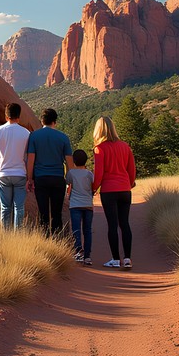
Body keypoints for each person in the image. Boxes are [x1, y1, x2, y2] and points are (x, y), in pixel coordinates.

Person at [92, 115, 137, 269]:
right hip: (125, 189)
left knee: (112, 225)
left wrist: (93, 188)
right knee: (125, 224)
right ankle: (128, 259)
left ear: (98, 130)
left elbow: (98, 173)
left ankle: (115, 259)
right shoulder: (125, 146)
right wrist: (129, 183)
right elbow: (132, 170)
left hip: (109, 190)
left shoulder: (100, 148)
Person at [26, 107, 73, 236]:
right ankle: (58, 242)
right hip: (58, 179)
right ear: (55, 121)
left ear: (42, 121)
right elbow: (69, 163)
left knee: (43, 213)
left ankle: (45, 242)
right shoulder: (63, 137)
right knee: (57, 214)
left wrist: (29, 179)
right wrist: (71, 182)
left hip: (40, 179)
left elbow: (31, 159)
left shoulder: (34, 136)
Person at [0, 102, 30, 230]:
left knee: (5, 208)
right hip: (20, 175)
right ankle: (18, 236)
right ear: (19, 116)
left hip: (4, 175)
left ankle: (5, 236)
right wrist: (30, 178)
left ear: (6, 116)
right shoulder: (26, 133)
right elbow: (28, 157)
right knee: (19, 207)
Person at [66, 149, 94, 265]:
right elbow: (93, 186)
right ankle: (87, 256)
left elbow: (68, 184)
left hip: (75, 204)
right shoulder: (89, 173)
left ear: (74, 161)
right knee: (87, 230)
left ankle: (78, 252)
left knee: (76, 229)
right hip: (88, 204)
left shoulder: (71, 173)